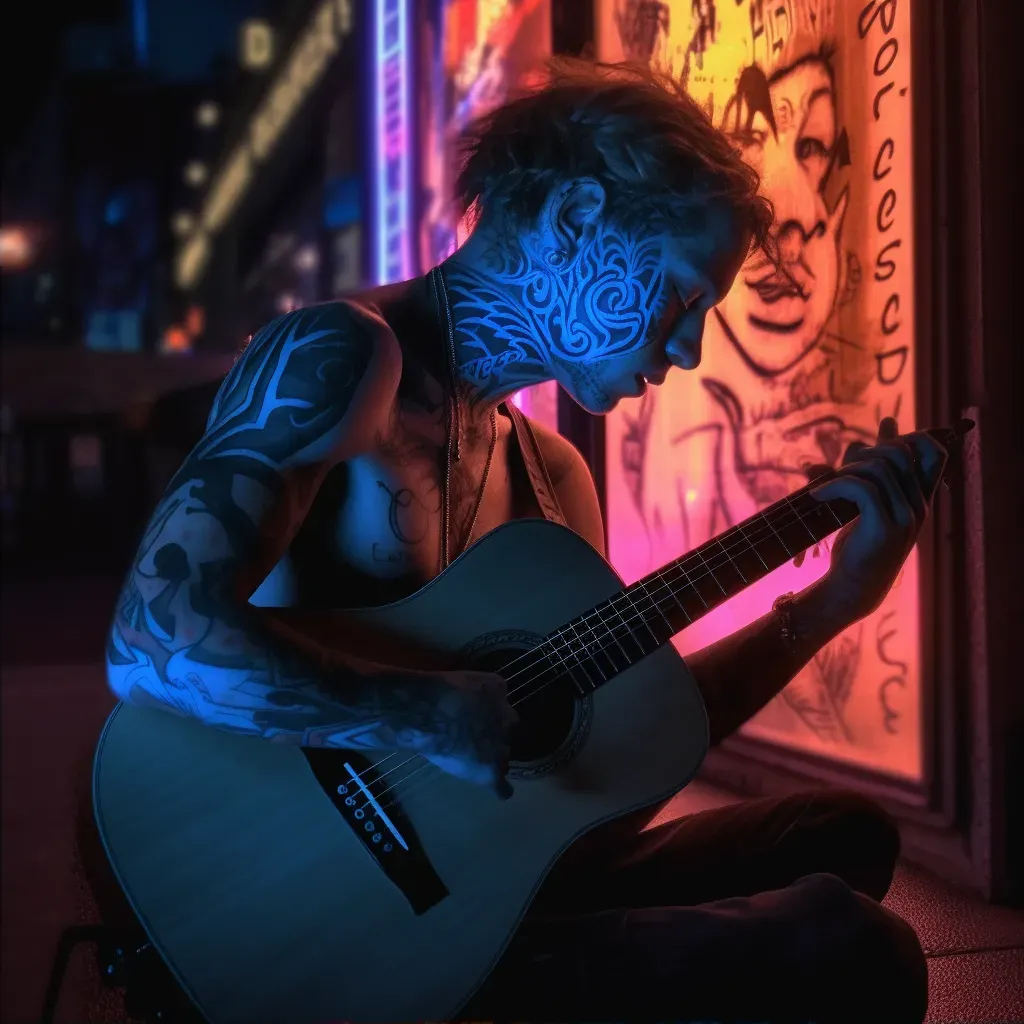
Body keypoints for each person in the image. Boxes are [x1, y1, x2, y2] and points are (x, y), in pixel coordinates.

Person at [105, 59, 943, 1023]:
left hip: (478, 891)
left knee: (840, 835)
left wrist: (835, 604)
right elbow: (152, 637)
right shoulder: (344, 355)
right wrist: (420, 713)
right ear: (578, 216)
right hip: (302, 917)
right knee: (851, 951)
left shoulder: (553, 477)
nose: (687, 350)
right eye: (681, 296)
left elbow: (627, 743)